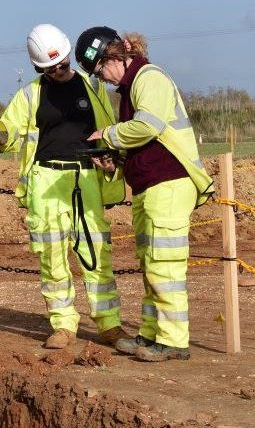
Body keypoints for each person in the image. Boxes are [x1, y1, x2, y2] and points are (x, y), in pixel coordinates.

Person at [0, 23, 130, 352]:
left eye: (63, 65)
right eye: (49, 69)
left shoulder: (93, 90)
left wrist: (112, 165)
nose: (58, 72)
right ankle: (63, 324)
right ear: (40, 68)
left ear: (69, 57)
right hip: (46, 181)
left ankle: (109, 323)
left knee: (96, 253)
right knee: (52, 256)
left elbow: (109, 131)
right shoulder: (30, 95)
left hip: (85, 179)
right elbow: (7, 127)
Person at [77, 26, 214, 362]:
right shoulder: (129, 89)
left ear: (118, 52)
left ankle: (172, 341)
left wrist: (107, 134)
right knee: (152, 264)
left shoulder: (148, 78)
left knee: (164, 265)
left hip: (168, 183)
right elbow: (146, 142)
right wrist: (117, 163)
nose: (104, 77)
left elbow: (148, 127)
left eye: (102, 68)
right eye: (97, 73)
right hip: (151, 185)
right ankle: (152, 335)